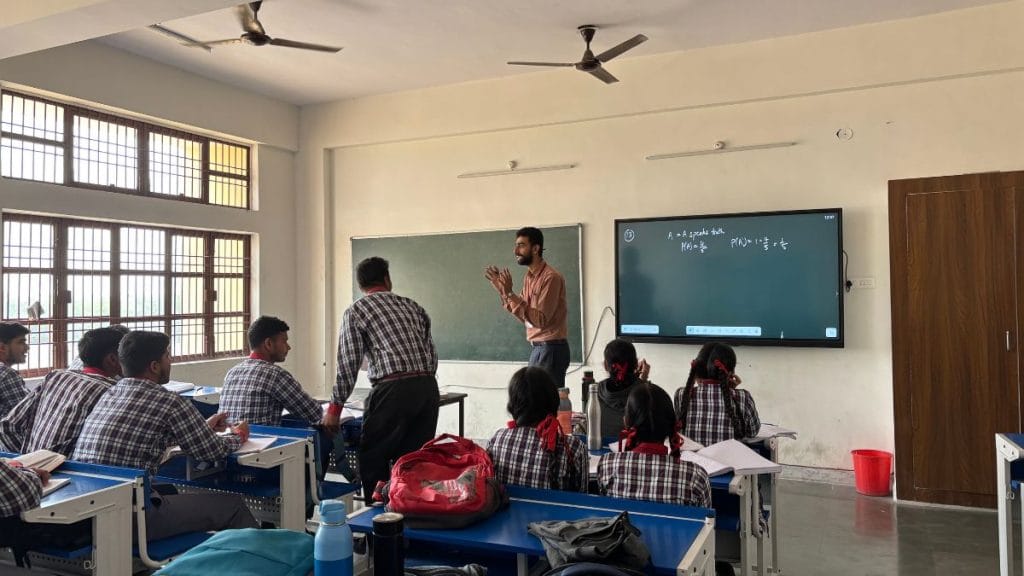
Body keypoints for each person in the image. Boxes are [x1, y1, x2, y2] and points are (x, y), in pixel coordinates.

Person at [72, 331, 258, 540]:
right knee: (232, 506)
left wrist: (202, 427)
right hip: (132, 517)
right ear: (154, 366)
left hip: (91, 512)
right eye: (167, 356)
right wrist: (239, 435)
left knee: (170, 490)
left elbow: (145, 437)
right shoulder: (169, 402)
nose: (170, 361)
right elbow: (211, 451)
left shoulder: (109, 394)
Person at [327, 257, 439, 501]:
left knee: (373, 457)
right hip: (427, 388)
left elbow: (348, 362)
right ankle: (414, 517)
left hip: (393, 390)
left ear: (360, 285)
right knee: (413, 460)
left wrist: (335, 409)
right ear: (387, 280)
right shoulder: (413, 306)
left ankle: (378, 524)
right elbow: (431, 354)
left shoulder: (356, 311)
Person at [0, 327, 125, 456]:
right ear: (112, 359)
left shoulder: (55, 376)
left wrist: (27, 462)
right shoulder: (111, 392)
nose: (27, 347)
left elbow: (8, 427)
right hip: (68, 472)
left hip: (33, 468)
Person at [596, 382, 711, 508]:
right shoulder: (695, 476)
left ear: (626, 421)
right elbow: (707, 524)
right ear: (672, 424)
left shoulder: (607, 465)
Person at [484, 227, 570, 387]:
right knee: (534, 400)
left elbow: (540, 320)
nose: (516, 250)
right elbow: (525, 318)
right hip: (539, 348)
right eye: (516, 245)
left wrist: (510, 293)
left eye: (521, 245)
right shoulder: (529, 278)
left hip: (551, 349)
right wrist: (503, 291)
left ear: (536, 248)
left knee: (544, 404)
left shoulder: (551, 278)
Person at [486, 367, 587, 492]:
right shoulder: (574, 448)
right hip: (555, 511)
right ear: (553, 401)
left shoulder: (496, 440)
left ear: (512, 404)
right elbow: (582, 499)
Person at [221, 316, 324, 427]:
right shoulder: (275, 375)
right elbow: (314, 412)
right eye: (284, 341)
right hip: (263, 442)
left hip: (232, 440)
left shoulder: (232, 372)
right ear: (268, 344)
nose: (288, 347)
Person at [675, 342, 760, 447]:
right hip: (731, 462)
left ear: (697, 371)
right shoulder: (743, 397)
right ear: (730, 374)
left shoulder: (682, 395)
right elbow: (753, 432)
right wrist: (729, 390)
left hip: (691, 463)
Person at [596, 339, 651, 440]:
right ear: (635, 364)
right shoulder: (647, 394)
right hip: (633, 453)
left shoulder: (594, 391)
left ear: (605, 365)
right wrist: (643, 380)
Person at [0, 323, 30, 416]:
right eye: (21, 342)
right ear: (2, 348)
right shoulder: (7, 374)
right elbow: (27, 415)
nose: (27, 347)